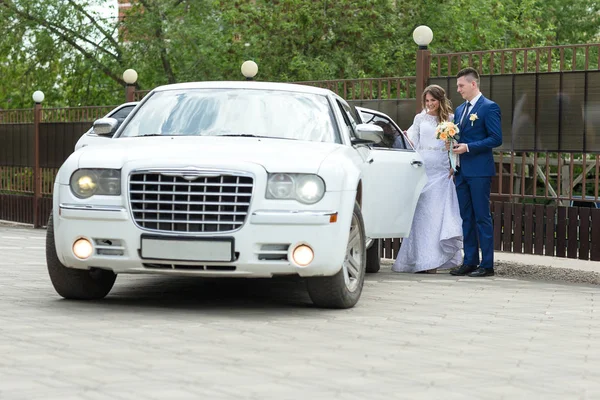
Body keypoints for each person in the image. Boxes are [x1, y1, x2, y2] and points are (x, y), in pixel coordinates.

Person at [392, 85, 463, 274]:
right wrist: (405, 137)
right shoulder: (419, 118)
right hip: (423, 169)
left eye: (433, 100)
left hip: (441, 171)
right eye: (427, 100)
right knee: (421, 216)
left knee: (436, 216)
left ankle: (434, 261)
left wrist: (453, 164)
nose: (430, 104)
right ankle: (419, 260)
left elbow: (454, 146)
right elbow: (413, 140)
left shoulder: (450, 120)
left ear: (440, 100)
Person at [449, 67, 502, 277]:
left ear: (473, 84)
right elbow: (457, 136)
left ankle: (487, 265)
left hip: (479, 171)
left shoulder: (489, 107)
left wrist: (468, 147)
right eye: (457, 86)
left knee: (482, 217)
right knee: (466, 217)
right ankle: (469, 261)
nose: (459, 90)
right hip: (461, 170)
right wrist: (451, 150)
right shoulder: (460, 110)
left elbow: (496, 138)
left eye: (461, 86)